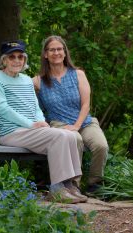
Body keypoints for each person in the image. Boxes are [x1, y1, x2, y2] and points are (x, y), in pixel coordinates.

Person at [0, 39, 87, 203]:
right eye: (12, 57)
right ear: (4, 60)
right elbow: (2, 108)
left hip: (31, 131)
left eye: (21, 57)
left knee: (69, 135)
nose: (17, 60)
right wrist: (31, 124)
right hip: (11, 132)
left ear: (24, 60)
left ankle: (69, 186)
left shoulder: (27, 80)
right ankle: (56, 189)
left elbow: (35, 107)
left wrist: (41, 122)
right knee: (60, 136)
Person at [33, 35, 109, 195]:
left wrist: (76, 125)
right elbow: (25, 96)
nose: (56, 52)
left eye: (59, 49)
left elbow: (86, 104)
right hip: (58, 124)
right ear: (45, 54)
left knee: (101, 145)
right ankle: (73, 186)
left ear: (65, 53)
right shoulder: (38, 81)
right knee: (76, 140)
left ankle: (95, 185)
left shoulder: (78, 74)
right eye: (52, 50)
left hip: (85, 121)